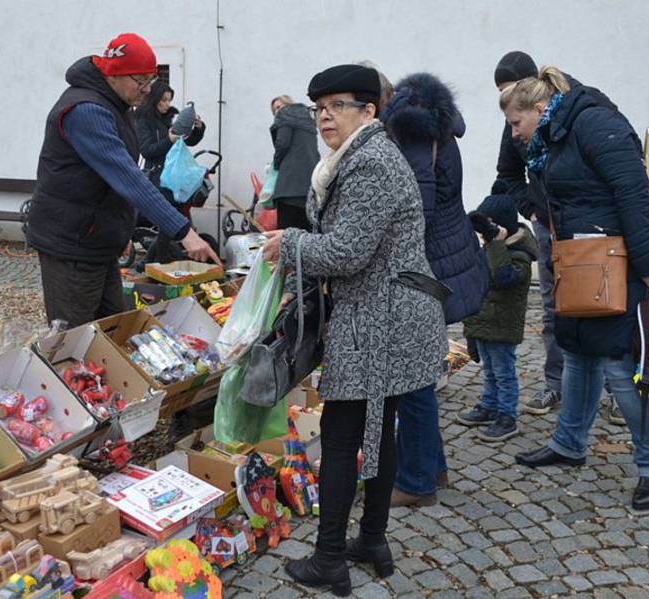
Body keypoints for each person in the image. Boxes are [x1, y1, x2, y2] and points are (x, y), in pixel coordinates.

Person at [262, 64, 446, 596]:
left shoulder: (370, 163)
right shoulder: (360, 156)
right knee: (377, 428)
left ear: (368, 111)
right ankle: (371, 540)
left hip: (380, 319)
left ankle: (329, 560)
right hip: (386, 311)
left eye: (337, 105)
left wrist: (289, 243)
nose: (324, 116)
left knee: (343, 438)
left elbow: (346, 252)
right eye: (318, 107)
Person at [501, 66, 649, 510]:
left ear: (540, 109)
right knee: (577, 354)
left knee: (621, 367)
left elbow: (633, 193)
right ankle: (569, 443)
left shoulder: (594, 123)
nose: (515, 136)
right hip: (578, 263)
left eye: (517, 124)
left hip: (616, 265)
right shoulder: (555, 135)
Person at [27, 33, 219, 328]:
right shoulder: (86, 111)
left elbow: (114, 178)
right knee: (74, 339)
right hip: (70, 243)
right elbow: (127, 177)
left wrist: (121, 230)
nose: (147, 89)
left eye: (151, 80)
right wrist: (184, 232)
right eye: (140, 80)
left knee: (114, 329)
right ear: (113, 74)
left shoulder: (115, 104)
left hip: (96, 241)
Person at [493, 51, 628, 425]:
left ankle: (619, 393)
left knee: (609, 305)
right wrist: (532, 210)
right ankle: (556, 384)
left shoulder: (585, 105)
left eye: (512, 92)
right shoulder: (515, 124)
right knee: (556, 309)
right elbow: (507, 173)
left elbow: (619, 163)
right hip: (549, 225)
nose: (509, 109)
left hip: (593, 230)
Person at [381, 72, 489, 507]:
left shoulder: (413, 129)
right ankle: (434, 467)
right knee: (420, 371)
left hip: (424, 265)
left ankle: (416, 481)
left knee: (412, 378)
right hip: (446, 256)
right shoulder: (438, 125)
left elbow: (416, 205)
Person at [457, 182, 537, 441]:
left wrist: (497, 244)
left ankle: (507, 416)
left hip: (503, 327)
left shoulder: (520, 257)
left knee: (504, 373)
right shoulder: (489, 249)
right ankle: (489, 406)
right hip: (485, 324)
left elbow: (503, 278)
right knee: (489, 370)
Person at [133, 80, 207, 263]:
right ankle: (157, 262)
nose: (167, 104)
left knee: (173, 221)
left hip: (175, 177)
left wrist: (198, 129)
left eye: (169, 100)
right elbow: (147, 150)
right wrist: (169, 140)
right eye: (163, 100)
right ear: (154, 98)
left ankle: (150, 263)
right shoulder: (143, 118)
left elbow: (187, 141)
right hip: (158, 178)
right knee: (168, 222)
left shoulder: (172, 117)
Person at [268, 95, 320, 230]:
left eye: (279, 107)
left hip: (289, 187)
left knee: (285, 235)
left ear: (288, 104)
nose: (277, 112)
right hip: (309, 186)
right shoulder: (308, 120)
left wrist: (276, 165)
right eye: (275, 110)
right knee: (305, 234)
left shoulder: (285, 115)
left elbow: (282, 144)